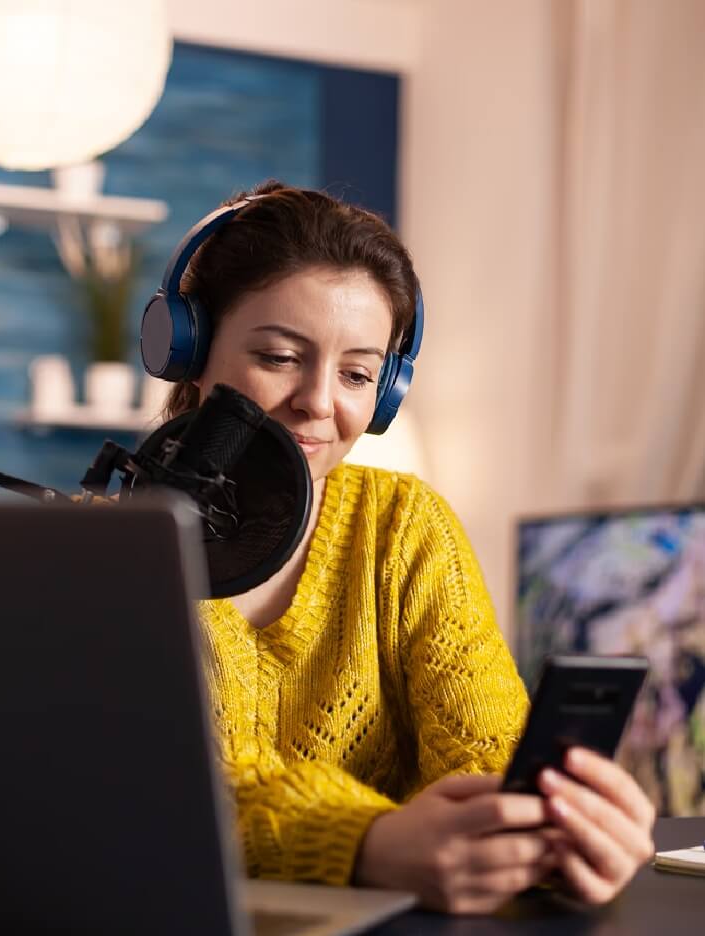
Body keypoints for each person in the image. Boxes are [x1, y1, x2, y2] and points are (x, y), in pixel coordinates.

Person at [156, 181, 655, 914]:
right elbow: (177, 795)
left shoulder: (406, 527)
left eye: (358, 373)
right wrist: (371, 843)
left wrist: (545, 831)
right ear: (187, 351)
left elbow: (488, 752)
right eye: (279, 356)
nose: (321, 403)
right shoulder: (103, 548)